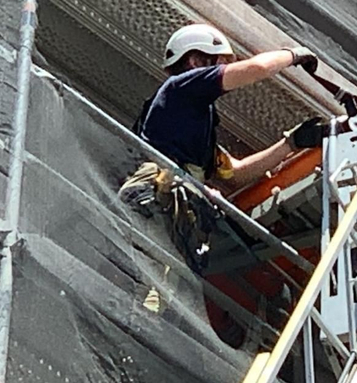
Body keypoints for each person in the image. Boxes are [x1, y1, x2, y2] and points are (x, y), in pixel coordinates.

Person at [121, 22, 328, 274]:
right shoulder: (180, 88)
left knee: (151, 289)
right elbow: (257, 68)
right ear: (196, 61)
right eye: (219, 62)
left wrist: (291, 143)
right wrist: (294, 54)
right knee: (139, 278)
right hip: (154, 201)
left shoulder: (192, 122)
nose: (224, 69)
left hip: (168, 212)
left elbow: (236, 174)